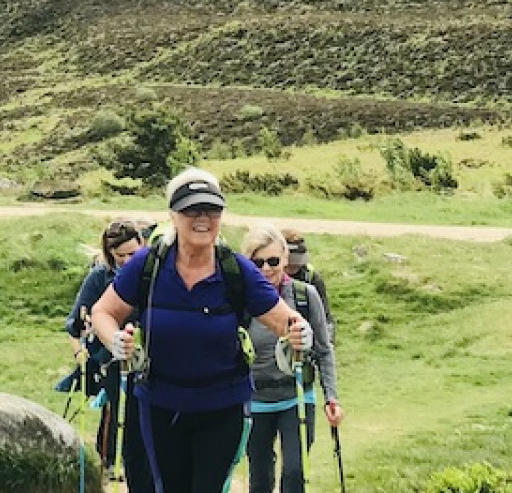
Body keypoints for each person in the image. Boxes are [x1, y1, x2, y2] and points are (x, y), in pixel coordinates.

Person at [89, 168, 313, 493]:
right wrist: (114, 340)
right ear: (173, 215)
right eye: (191, 210)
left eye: (211, 210)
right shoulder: (147, 265)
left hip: (222, 408)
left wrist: (299, 333)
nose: (202, 218)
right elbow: (103, 312)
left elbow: (286, 321)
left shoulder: (235, 269)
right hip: (160, 406)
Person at [244, 225, 342, 493]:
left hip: (297, 396)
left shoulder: (304, 296)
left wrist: (331, 397)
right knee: (260, 478)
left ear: (285, 259)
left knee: (295, 472)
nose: (266, 269)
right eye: (257, 262)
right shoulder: (241, 299)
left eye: (273, 261)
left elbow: (323, 349)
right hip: (255, 400)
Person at [63, 220, 146, 473]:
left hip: (148, 355)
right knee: (118, 406)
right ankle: (109, 461)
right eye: (120, 256)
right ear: (110, 254)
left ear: (142, 245)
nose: (127, 261)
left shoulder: (152, 273)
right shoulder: (100, 277)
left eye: (133, 254)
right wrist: (80, 351)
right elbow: (75, 320)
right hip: (109, 357)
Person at [282, 228, 336, 448]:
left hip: (304, 364)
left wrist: (322, 344)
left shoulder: (311, 279)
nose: (294, 267)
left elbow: (327, 319)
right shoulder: (263, 277)